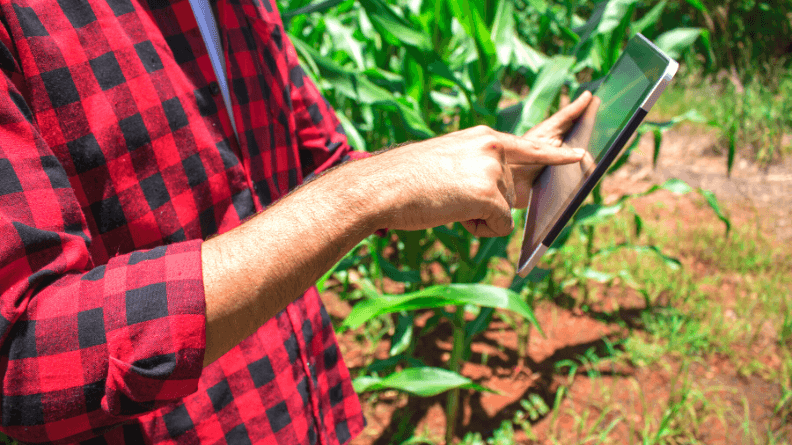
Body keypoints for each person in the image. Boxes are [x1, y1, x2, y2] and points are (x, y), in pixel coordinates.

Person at [0, 0, 592, 443]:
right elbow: (25, 352)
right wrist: (364, 193)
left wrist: (490, 170)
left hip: (300, 401)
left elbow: (323, 163)